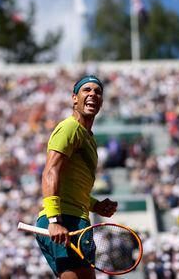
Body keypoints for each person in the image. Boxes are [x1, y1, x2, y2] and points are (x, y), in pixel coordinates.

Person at [36, 75, 118, 279]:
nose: (92, 94)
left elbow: (71, 185)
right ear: (74, 98)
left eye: (97, 92)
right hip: (65, 221)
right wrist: (55, 220)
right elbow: (50, 171)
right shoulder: (69, 128)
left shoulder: (88, 138)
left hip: (74, 219)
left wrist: (95, 205)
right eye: (86, 90)